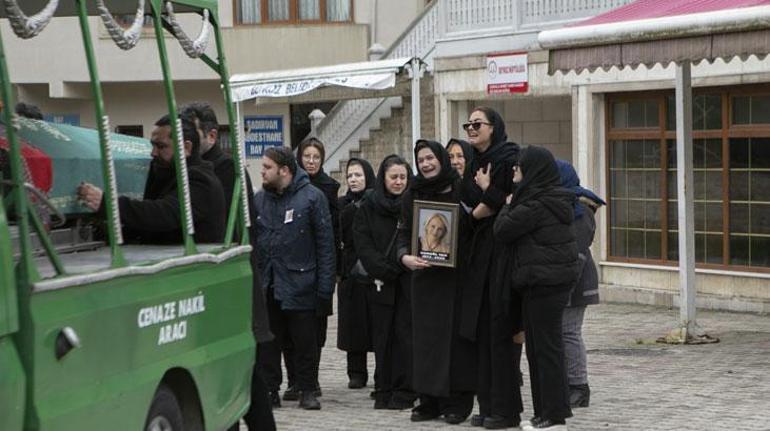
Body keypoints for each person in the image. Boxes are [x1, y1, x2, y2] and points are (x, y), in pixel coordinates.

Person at [180, 103, 275, 430]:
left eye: (192, 133)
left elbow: (235, 234)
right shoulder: (194, 170)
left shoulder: (224, 171)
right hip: (218, 288)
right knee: (225, 376)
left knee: (246, 374)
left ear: (209, 134)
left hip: (232, 285)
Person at [493, 146, 579, 431]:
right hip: (544, 283)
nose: (515, 170)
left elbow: (502, 229)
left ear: (533, 171)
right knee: (541, 351)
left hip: (543, 284)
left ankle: (553, 416)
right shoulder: (548, 198)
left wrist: (507, 203)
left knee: (546, 351)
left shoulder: (535, 204)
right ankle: (546, 413)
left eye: (520, 167)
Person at [398, 140, 476, 425]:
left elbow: (473, 228)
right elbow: (404, 232)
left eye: (430, 158)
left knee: (455, 343)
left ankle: (457, 402)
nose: (426, 164)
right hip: (425, 280)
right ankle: (428, 400)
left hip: (456, 280)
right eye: (420, 160)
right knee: (426, 342)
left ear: (441, 159)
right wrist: (404, 257)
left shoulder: (461, 188)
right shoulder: (412, 194)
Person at [253, 146, 335, 411]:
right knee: (268, 343)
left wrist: (325, 290)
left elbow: (326, 246)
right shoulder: (259, 200)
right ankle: (270, 389)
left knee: (305, 343)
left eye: (267, 167)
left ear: (284, 170)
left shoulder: (313, 198)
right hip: (269, 283)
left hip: (302, 284)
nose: (262, 172)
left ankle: (307, 389)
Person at [457, 107, 522, 429]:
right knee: (480, 335)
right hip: (477, 256)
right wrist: (477, 210)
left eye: (477, 124)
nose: (471, 128)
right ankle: (486, 405)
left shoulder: (509, 157)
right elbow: (472, 205)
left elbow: (506, 201)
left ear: (494, 127)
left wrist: (484, 197)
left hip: (502, 254)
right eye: (468, 124)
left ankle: (505, 409)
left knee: (500, 335)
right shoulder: (472, 161)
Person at [77, 113, 225, 244]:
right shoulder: (165, 172)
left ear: (186, 147)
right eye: (153, 146)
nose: (153, 153)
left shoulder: (201, 180)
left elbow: (163, 214)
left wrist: (107, 204)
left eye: (161, 147)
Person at [279, 137, 341, 401]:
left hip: (320, 265)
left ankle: (309, 379)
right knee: (291, 332)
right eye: (307, 157)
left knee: (315, 332)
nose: (312, 161)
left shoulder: (328, 188)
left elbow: (332, 232)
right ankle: (295, 380)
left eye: (316, 157)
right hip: (294, 269)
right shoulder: (287, 189)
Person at [353, 155, 415, 410]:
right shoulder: (369, 205)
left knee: (404, 336)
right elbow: (362, 241)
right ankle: (384, 388)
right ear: (383, 178)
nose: (399, 182)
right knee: (382, 337)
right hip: (379, 281)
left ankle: (405, 389)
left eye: (403, 177)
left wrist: (401, 265)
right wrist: (384, 268)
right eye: (394, 177)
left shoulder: (412, 204)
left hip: (407, 282)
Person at [556, 160, 605, 409]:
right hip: (563, 280)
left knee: (569, 333)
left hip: (574, 283)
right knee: (562, 334)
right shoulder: (563, 207)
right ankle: (567, 383)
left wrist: (563, 285)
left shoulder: (580, 211)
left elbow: (577, 251)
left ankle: (578, 386)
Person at [336, 157, 376, 390]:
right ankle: (356, 372)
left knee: (377, 324)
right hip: (349, 271)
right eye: (350, 175)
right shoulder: (343, 204)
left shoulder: (376, 202)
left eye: (358, 175)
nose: (353, 179)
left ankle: (383, 371)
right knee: (353, 325)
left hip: (373, 270)